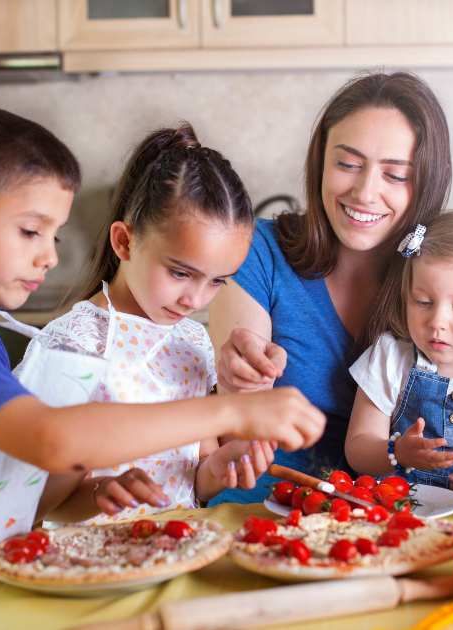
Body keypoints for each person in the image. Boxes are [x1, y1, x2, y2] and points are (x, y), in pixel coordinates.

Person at [0, 106, 325, 619]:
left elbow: (18, 492)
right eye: (30, 232)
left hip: (41, 579)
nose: (48, 257)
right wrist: (233, 413)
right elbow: (53, 441)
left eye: (55, 235)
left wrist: (105, 491)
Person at [207, 71, 453, 504]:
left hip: (395, 522)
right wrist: (239, 381)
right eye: (347, 165)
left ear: (426, 182)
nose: (365, 192)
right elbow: (235, 422)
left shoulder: (442, 282)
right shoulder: (258, 249)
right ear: (321, 163)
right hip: (261, 509)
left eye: (395, 175)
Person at [25, 124, 277, 525]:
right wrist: (98, 494)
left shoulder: (193, 342)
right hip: (86, 568)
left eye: (217, 281)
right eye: (180, 273)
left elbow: (193, 476)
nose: (195, 300)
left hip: (174, 551)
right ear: (124, 242)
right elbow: (30, 503)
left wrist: (221, 467)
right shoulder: (75, 345)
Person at [345, 211, 453, 499]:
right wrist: (397, 452)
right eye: (423, 302)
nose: (437, 321)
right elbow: (357, 448)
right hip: (404, 512)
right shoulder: (391, 358)